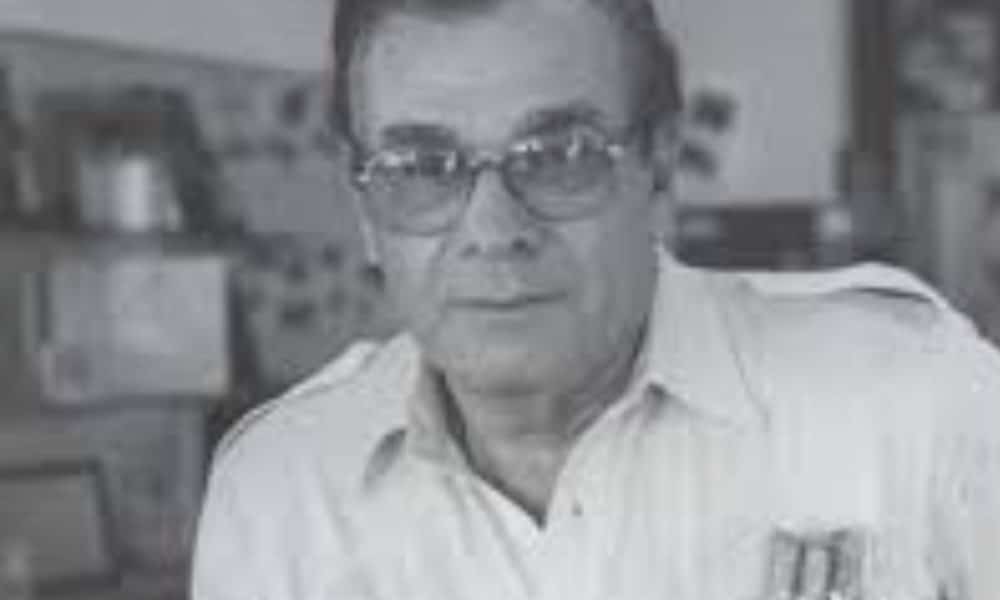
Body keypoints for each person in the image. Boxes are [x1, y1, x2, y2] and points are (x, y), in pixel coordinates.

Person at [191, 0, 1000, 598]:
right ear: (366, 209)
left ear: (659, 165)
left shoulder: (912, 401)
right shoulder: (282, 492)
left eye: (559, 156)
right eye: (421, 169)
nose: (493, 231)